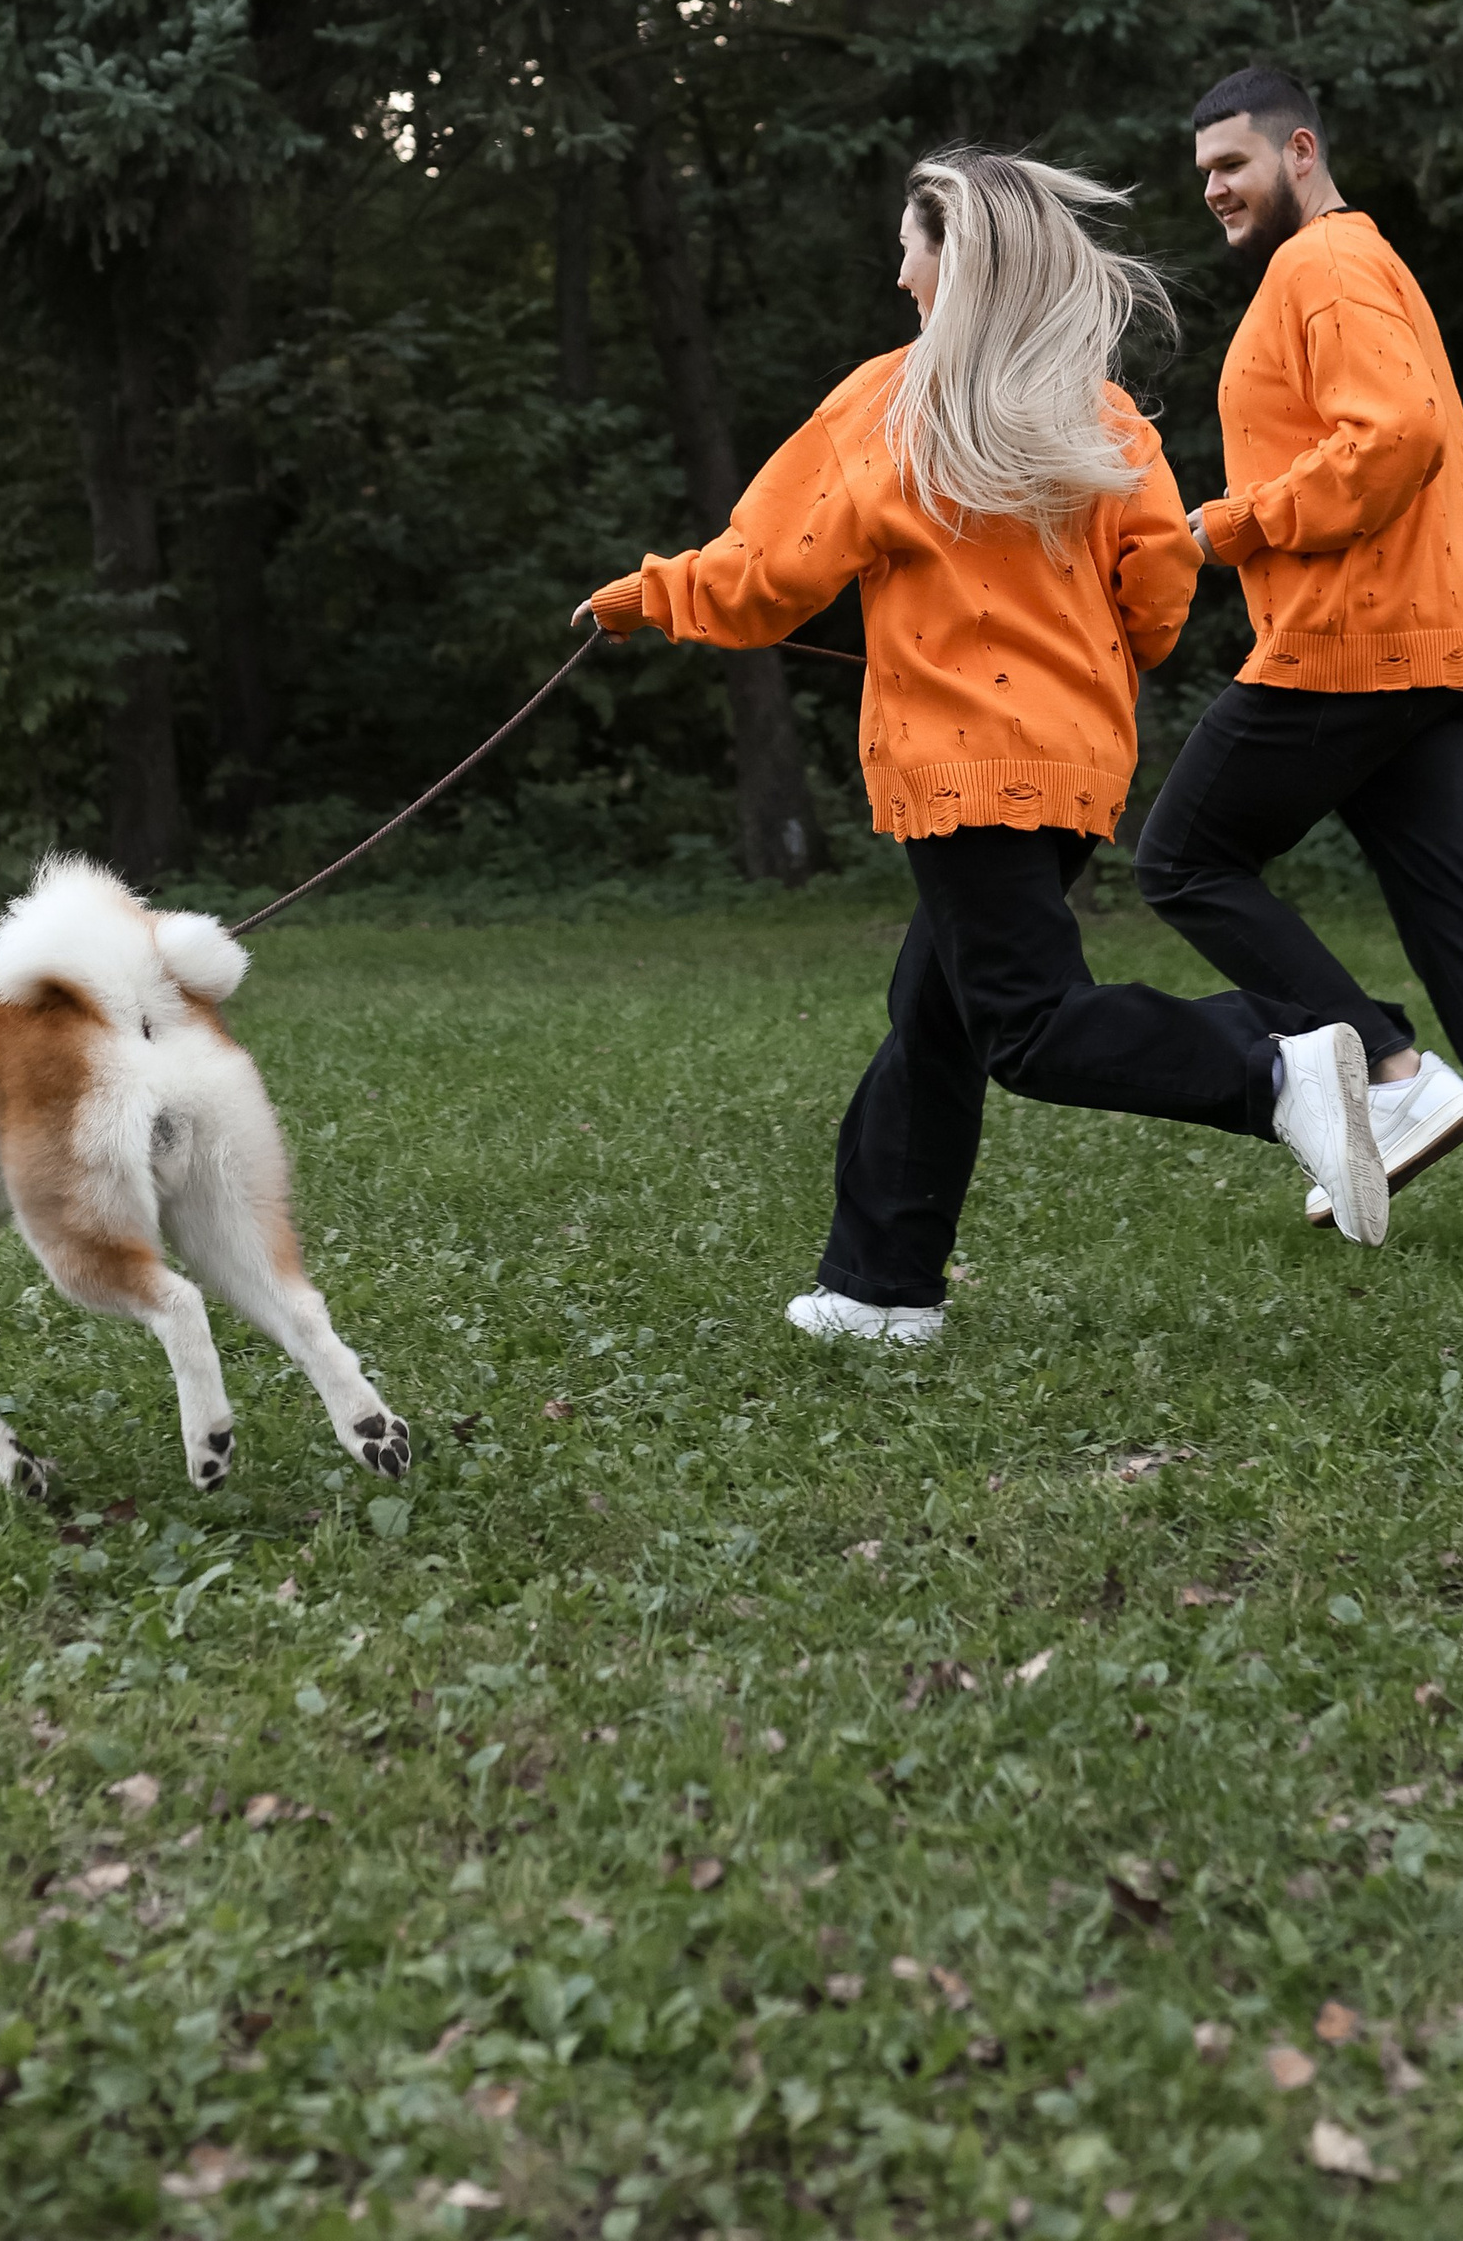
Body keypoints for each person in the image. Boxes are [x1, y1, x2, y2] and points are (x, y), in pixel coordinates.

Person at [577, 144, 1394, 1346]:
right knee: (935, 1015)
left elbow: (767, 574)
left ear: (950, 261)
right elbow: (1161, 586)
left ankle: (1273, 1067)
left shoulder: (888, 404)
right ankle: (880, 1285)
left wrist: (643, 598)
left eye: (908, 249)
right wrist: (1094, 644)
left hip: (962, 770)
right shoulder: (1100, 411)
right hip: (1073, 769)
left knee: (1026, 1022)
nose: (898, 274)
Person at [1133, 64, 1463, 1273]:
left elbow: (1395, 436)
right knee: (1459, 932)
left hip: (1359, 638)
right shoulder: (1354, 263)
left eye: (1233, 163)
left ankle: (1383, 1069)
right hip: (1440, 642)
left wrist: (1236, 522)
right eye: (1204, 170)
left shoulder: (1320, 264)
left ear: (1300, 150)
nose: (1214, 187)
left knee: (1185, 857)